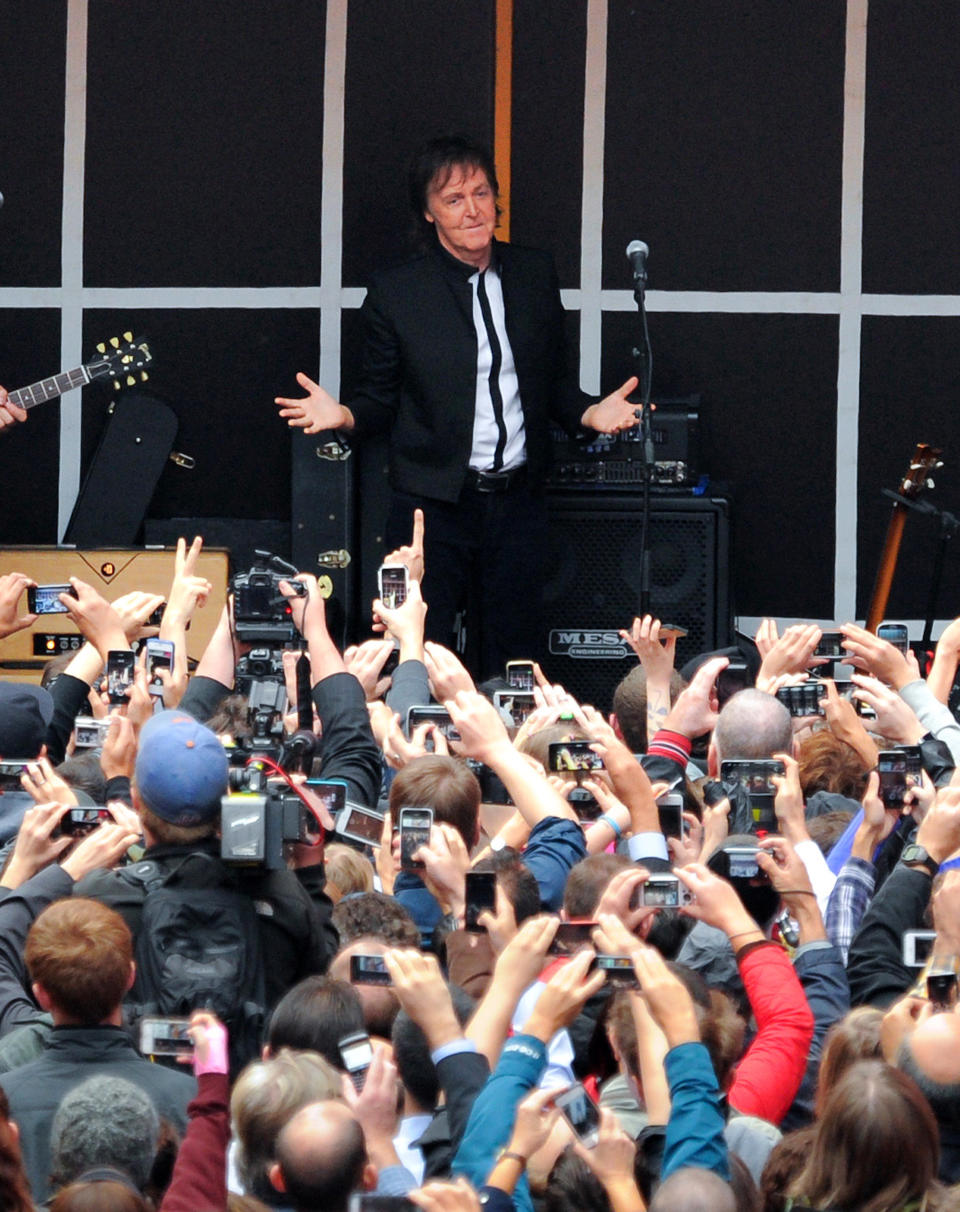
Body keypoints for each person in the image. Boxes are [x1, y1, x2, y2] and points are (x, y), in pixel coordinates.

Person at [274, 134, 644, 677]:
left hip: (518, 500)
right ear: (429, 213)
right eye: (453, 199)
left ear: (497, 199)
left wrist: (589, 413)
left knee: (515, 655)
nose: (472, 210)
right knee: (425, 650)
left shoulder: (533, 274)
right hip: (433, 506)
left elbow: (553, 385)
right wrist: (346, 416)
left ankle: (508, 752)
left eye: (481, 194)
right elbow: (379, 398)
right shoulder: (398, 292)